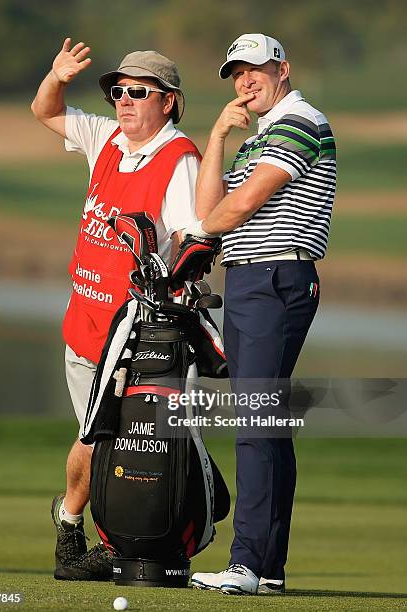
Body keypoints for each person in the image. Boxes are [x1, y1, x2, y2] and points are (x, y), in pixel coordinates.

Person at [31, 39, 200, 581]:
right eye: (118, 92)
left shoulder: (180, 159)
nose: (123, 102)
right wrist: (57, 76)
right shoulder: (107, 138)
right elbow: (46, 110)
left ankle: (95, 535)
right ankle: (78, 529)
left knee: (116, 443)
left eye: (138, 93)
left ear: (168, 101)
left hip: (137, 337)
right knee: (95, 436)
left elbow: (187, 246)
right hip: (84, 325)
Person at [188, 33, 336, 595]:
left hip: (275, 277)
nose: (245, 80)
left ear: (283, 69)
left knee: (254, 423)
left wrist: (195, 235)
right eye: (236, 73)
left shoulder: (300, 121)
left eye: (256, 69)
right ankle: (267, 568)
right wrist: (220, 134)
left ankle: (248, 564)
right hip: (252, 280)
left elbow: (242, 205)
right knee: (265, 425)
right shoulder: (259, 138)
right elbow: (212, 204)